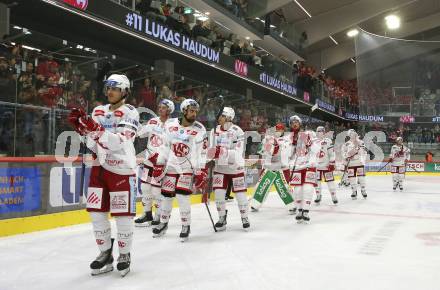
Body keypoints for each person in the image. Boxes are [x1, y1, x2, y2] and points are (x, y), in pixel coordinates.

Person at [68, 74, 139, 277]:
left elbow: (117, 142)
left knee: (123, 216)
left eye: (115, 88)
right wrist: (82, 129)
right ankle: (105, 253)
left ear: (125, 91)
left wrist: (93, 128)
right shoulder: (98, 111)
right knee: (96, 214)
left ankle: (124, 254)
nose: (110, 91)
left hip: (122, 170)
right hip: (99, 168)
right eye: (108, 87)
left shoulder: (131, 113)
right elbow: (92, 142)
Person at [152, 99, 208, 242]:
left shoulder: (200, 129)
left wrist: (201, 170)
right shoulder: (170, 125)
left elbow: (202, 152)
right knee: (166, 196)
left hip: (187, 168)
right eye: (191, 111)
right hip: (171, 166)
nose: (194, 114)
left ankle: (185, 225)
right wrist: (159, 164)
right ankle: (163, 223)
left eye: (196, 111)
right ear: (184, 111)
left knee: (183, 197)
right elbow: (164, 146)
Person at [135, 99, 174, 226]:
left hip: (162, 163)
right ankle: (147, 214)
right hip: (149, 160)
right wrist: (134, 122)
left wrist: (165, 159)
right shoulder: (153, 121)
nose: (160, 109)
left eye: (163, 107)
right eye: (160, 107)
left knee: (157, 191)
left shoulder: (174, 125)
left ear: (169, 110)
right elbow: (140, 133)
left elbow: (174, 144)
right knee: (145, 188)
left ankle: (158, 215)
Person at [210, 107, 249, 231]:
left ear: (229, 118)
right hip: (220, 168)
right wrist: (210, 156)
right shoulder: (214, 131)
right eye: (219, 115)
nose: (219, 118)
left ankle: (244, 217)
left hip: (235, 168)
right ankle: (222, 218)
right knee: (218, 195)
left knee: (241, 195)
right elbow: (210, 149)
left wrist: (221, 151)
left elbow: (239, 151)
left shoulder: (238, 131)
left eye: (222, 115)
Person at [250, 122, 294, 213]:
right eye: (277, 129)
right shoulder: (268, 138)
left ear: (283, 130)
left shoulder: (287, 140)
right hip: (268, 167)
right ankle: (255, 204)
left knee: (284, 188)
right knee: (261, 186)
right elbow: (261, 150)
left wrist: (274, 146)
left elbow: (285, 153)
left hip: (281, 168)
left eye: (280, 129)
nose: (278, 131)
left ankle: (292, 206)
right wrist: (268, 146)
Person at [289, 116, 320, 223]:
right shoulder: (289, 137)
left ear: (300, 123)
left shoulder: (309, 133)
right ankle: (299, 210)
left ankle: (306, 211)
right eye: (292, 122)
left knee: (307, 188)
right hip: (296, 166)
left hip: (308, 165)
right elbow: (287, 154)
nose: (294, 124)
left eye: (296, 121)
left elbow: (316, 149)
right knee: (297, 190)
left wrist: (309, 141)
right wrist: (292, 146)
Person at [314, 126, 338, 205]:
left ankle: (334, 196)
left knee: (330, 182)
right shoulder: (313, 141)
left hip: (326, 166)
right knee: (317, 182)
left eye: (321, 131)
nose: (319, 132)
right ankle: (318, 196)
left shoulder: (328, 141)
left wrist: (332, 163)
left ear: (324, 132)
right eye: (318, 131)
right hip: (316, 166)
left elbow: (332, 153)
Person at [342, 129, 367, 200]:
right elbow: (343, 153)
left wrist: (363, 160)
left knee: (361, 178)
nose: (352, 135)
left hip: (359, 163)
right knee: (352, 178)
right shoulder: (346, 144)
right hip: (351, 164)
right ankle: (354, 191)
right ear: (349, 135)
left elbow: (364, 152)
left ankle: (363, 190)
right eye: (351, 134)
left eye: (354, 133)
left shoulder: (361, 142)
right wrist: (347, 156)